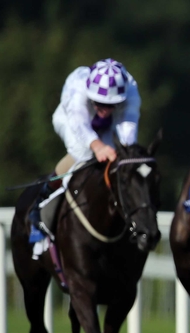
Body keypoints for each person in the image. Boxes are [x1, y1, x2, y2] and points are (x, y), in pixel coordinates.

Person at [29, 58, 141, 237]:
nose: (103, 108)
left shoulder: (131, 91)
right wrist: (97, 147)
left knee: (117, 156)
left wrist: (126, 156)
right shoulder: (77, 88)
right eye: (99, 102)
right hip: (71, 119)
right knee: (85, 152)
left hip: (107, 126)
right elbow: (79, 124)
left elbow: (128, 129)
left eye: (110, 105)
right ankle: (43, 197)